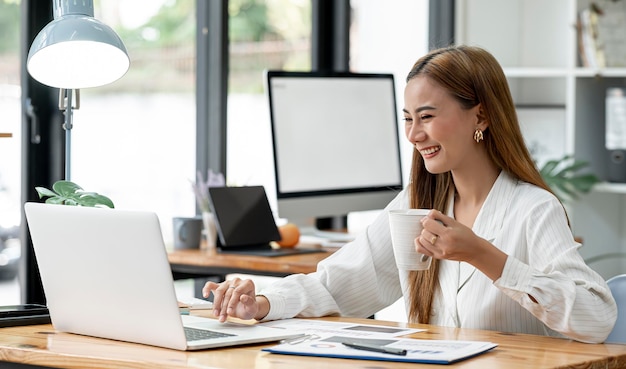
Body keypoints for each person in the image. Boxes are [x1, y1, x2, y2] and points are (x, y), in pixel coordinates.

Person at [203, 45, 617, 343]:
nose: (414, 135)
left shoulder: (533, 210)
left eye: (428, 117)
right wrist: (260, 303)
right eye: (407, 119)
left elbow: (596, 318)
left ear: (482, 115)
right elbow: (338, 285)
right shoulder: (414, 207)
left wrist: (482, 254)